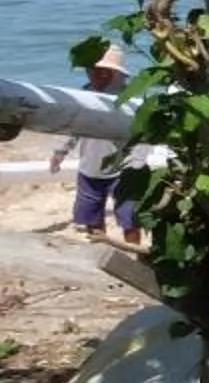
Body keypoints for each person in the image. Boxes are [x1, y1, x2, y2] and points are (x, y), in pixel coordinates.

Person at [46, 47, 140, 247]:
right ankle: (101, 254)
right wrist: (60, 152)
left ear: (117, 74)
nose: (96, 75)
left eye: (104, 71)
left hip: (124, 169)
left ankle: (138, 257)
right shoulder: (84, 95)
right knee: (91, 217)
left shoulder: (130, 97)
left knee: (130, 218)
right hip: (90, 169)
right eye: (92, 70)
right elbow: (73, 127)